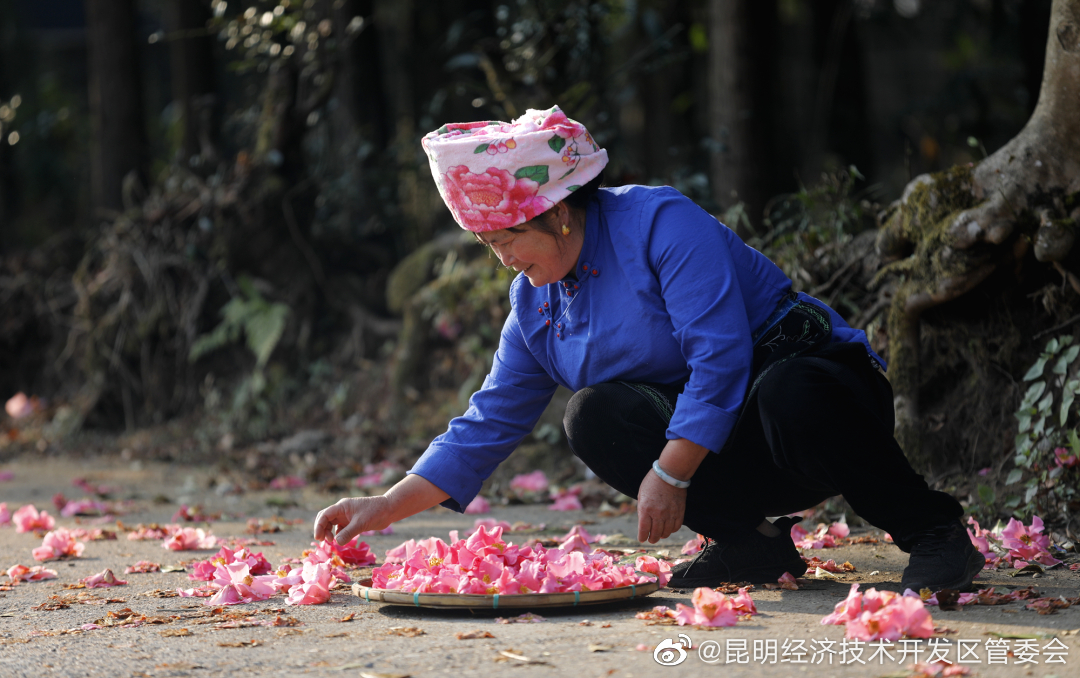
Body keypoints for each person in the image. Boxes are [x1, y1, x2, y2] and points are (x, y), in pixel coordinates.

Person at [314, 106, 982, 592]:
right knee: (593, 414)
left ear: (558, 211)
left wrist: (669, 474)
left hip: (816, 401)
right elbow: (486, 422)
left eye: (506, 240)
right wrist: (380, 508)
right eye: (490, 247)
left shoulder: (661, 224)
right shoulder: (534, 303)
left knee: (788, 393)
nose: (504, 261)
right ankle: (752, 549)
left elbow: (721, 360)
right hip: (730, 443)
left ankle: (933, 532)